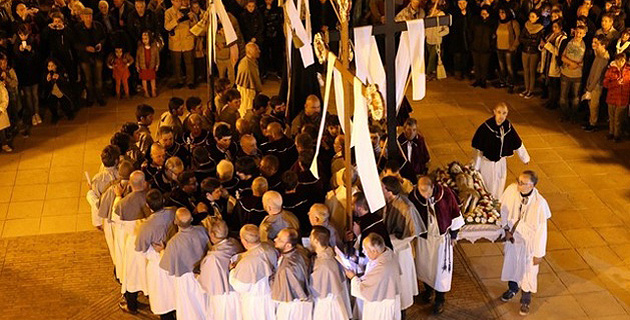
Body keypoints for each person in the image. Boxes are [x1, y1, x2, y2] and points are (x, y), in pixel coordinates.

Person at [408, 176, 464, 315]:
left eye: (427, 192)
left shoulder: (445, 194)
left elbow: (455, 213)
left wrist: (454, 235)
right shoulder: (415, 197)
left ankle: (440, 299)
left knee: (440, 271)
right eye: (421, 191)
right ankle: (428, 291)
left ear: (432, 187)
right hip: (425, 239)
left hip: (441, 240)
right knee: (425, 266)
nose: (424, 195)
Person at [499, 171, 551, 316]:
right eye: (518, 181)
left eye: (523, 183)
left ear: (532, 185)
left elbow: (542, 232)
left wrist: (539, 253)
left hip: (529, 244)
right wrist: (506, 229)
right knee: (512, 265)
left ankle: (525, 300)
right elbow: (504, 210)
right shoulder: (511, 191)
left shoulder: (539, 204)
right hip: (514, 238)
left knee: (528, 272)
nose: (519, 185)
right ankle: (512, 289)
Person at [381, 176, 426, 311]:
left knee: (401, 285)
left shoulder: (406, 207)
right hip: (389, 249)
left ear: (389, 190)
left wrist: (388, 243)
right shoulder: (387, 202)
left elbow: (410, 234)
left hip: (400, 251)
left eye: (382, 188)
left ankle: (402, 311)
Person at [159, 207, 209, 320]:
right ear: (191, 219)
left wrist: (161, 251)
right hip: (202, 274)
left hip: (184, 279)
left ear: (175, 221)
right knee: (203, 304)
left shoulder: (174, 242)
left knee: (189, 308)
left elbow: (166, 266)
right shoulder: (202, 231)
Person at [472, 103, 530, 199]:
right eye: (499, 112)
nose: (501, 116)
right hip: (487, 162)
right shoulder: (485, 128)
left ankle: (497, 201)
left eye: (504, 113)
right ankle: (486, 202)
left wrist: (525, 158)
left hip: (500, 162)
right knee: (487, 183)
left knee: (500, 181)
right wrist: (476, 167)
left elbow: (517, 142)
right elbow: (478, 149)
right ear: (494, 112)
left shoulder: (507, 127)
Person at [135, 190, 176, 320]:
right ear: (163, 200)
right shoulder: (173, 212)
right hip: (175, 258)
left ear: (148, 205)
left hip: (158, 264)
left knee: (163, 297)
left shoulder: (146, 226)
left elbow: (140, 248)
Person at [112, 171, 148, 314]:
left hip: (132, 244)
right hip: (148, 243)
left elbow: (115, 220)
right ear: (144, 183)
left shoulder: (122, 204)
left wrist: (118, 197)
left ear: (131, 185)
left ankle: (132, 306)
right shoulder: (150, 197)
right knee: (147, 274)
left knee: (131, 276)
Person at [345, 233, 401, 320]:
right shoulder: (387, 252)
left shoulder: (381, 268)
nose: (363, 252)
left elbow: (364, 290)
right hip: (386, 298)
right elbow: (372, 262)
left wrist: (353, 277)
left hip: (379, 305)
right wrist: (357, 259)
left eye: (365, 250)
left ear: (374, 251)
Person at [198, 217, 245, 320]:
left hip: (222, 296)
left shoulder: (213, 258)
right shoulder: (235, 243)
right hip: (236, 294)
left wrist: (198, 277)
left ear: (212, 234)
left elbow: (206, 283)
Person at [229, 224, 278, 320]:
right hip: (269, 296)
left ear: (244, 241)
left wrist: (232, 271)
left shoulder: (248, 261)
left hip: (254, 302)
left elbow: (241, 287)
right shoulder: (269, 248)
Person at [309, 226, 351, 320]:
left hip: (326, 305)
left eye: (311, 237)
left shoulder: (323, 264)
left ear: (316, 240)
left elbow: (315, 287)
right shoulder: (331, 255)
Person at [272, 228, 313, 320]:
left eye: (280, 239)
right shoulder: (297, 252)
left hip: (292, 306)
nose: (275, 240)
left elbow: (298, 289)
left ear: (288, 245)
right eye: (277, 237)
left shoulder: (289, 267)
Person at [75, 8, 106, 106]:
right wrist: (85, 48)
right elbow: (75, 43)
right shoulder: (77, 28)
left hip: (97, 55)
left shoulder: (98, 26)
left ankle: (100, 96)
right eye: (86, 16)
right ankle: (91, 97)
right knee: (88, 79)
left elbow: (104, 37)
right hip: (85, 57)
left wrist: (100, 44)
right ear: (82, 17)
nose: (89, 18)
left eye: (90, 16)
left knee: (98, 77)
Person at [164, 0, 198, 89]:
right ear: (172, 1)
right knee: (176, 64)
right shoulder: (168, 12)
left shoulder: (189, 10)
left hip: (187, 41)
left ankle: (190, 81)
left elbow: (195, 26)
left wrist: (191, 19)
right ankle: (179, 80)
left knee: (189, 63)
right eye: (176, 1)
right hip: (175, 43)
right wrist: (176, 19)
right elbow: (167, 27)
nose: (179, 3)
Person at [86, 145, 120, 229]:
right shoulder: (121, 174)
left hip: (105, 217)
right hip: (118, 214)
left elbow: (96, 203)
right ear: (116, 161)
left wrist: (90, 191)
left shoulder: (97, 179)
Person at [559, 25, 587, 122]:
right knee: (563, 97)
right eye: (577, 32)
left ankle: (573, 116)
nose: (578, 35)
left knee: (575, 98)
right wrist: (571, 63)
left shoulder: (585, 46)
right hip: (565, 73)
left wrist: (575, 65)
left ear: (584, 34)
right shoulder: (568, 42)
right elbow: (562, 56)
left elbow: (584, 62)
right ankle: (565, 114)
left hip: (577, 76)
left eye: (580, 33)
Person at [583, 35, 610, 131]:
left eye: (596, 43)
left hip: (596, 86)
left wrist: (590, 88)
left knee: (594, 105)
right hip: (592, 84)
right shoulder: (598, 55)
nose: (593, 45)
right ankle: (590, 121)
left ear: (603, 45)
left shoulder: (603, 58)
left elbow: (598, 75)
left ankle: (593, 123)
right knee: (591, 105)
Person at [539, 19, 567, 110]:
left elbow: (558, 52)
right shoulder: (551, 35)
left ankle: (554, 102)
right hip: (547, 61)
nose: (554, 29)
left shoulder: (563, 38)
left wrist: (547, 45)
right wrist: (542, 46)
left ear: (560, 27)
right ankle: (550, 100)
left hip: (554, 64)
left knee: (554, 85)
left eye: (556, 27)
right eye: (553, 27)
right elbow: (544, 46)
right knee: (549, 84)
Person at [602, 52, 630, 142]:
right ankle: (611, 133)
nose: (620, 62)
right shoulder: (611, 70)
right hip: (612, 97)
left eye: (622, 60)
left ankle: (617, 135)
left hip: (623, 98)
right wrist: (616, 83)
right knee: (612, 117)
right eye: (619, 60)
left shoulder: (628, 71)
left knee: (618, 118)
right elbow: (605, 84)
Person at [519, 10, 545, 99]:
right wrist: (530, 41)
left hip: (534, 52)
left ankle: (531, 90)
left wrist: (529, 41)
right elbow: (521, 38)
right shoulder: (526, 26)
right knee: (526, 70)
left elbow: (538, 41)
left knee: (531, 71)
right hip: (525, 51)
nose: (531, 18)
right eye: (530, 16)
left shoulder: (540, 28)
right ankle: (526, 89)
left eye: (533, 17)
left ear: (537, 18)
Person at [397, 118, 430, 183]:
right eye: (409, 130)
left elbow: (425, 157)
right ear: (404, 130)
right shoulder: (399, 142)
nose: (412, 133)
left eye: (414, 130)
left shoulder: (420, 141)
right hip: (403, 175)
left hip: (417, 174)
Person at [495, 7, 520, 93]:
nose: (501, 15)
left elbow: (517, 36)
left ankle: (511, 84)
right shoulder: (499, 23)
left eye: (503, 13)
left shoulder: (514, 23)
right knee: (502, 67)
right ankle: (502, 81)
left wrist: (513, 47)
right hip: (499, 48)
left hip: (509, 49)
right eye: (500, 13)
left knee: (510, 67)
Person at [470, 6, 494, 88]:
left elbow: (493, 36)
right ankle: (477, 80)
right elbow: (471, 32)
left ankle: (483, 81)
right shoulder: (476, 21)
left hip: (486, 47)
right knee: (477, 65)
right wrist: (472, 43)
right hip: (476, 46)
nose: (484, 15)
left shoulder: (491, 23)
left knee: (484, 65)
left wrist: (490, 45)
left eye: (485, 13)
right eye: (482, 13)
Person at [236, 41, 263, 116]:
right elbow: (252, 79)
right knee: (247, 110)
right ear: (249, 52)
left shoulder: (253, 61)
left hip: (250, 90)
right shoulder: (246, 65)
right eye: (256, 50)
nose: (259, 51)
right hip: (247, 90)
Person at [136, 30, 159, 97]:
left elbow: (157, 56)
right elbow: (137, 57)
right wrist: (137, 65)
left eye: (146, 39)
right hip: (143, 66)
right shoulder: (140, 48)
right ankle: (146, 91)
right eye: (143, 39)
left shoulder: (154, 47)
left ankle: (153, 90)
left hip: (151, 66)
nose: (144, 40)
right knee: (144, 79)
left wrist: (157, 64)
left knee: (152, 79)